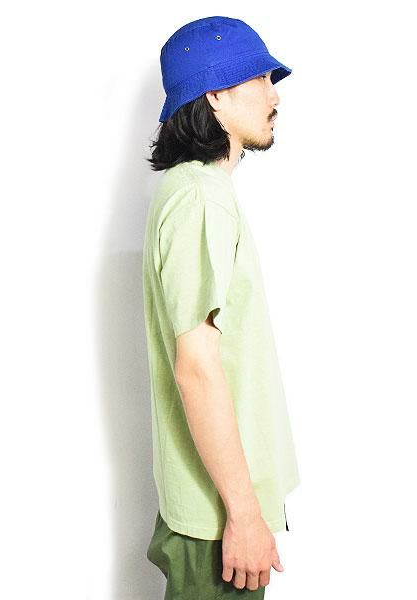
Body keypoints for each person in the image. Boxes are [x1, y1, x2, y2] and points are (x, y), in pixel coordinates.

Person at [142, 16, 300, 598]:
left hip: (219, 513)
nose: (274, 95)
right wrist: (244, 515)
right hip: (218, 523)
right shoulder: (200, 200)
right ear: (214, 95)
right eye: (258, 78)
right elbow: (197, 368)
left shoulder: (198, 193)